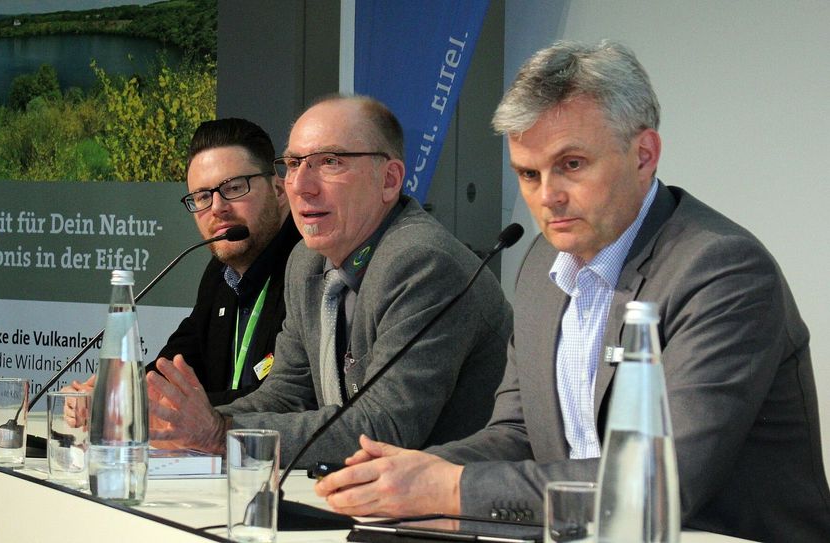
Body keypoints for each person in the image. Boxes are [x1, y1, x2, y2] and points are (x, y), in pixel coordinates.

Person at [314, 41, 830, 542]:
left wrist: (449, 487)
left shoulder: (721, 270)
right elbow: (519, 435)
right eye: (528, 174)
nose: (548, 197)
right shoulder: (543, 263)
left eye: (572, 165)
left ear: (644, 154)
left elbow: (656, 486)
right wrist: (413, 470)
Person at [145, 95, 514, 466]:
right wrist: (186, 423)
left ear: (389, 180)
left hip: (453, 508)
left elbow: (384, 427)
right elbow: (287, 396)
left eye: (330, 162)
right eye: (292, 164)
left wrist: (221, 435)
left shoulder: (423, 263)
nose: (301, 185)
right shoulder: (306, 262)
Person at [69, 118, 301, 405]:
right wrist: (120, 396)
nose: (217, 208)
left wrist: (173, 413)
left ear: (279, 191)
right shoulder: (219, 275)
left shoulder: (307, 272)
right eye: (202, 196)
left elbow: (287, 399)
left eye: (234, 188)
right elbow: (180, 360)